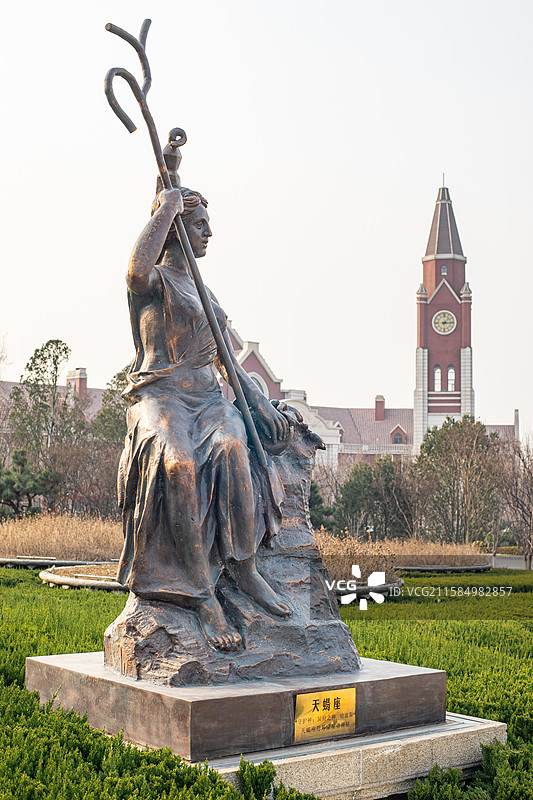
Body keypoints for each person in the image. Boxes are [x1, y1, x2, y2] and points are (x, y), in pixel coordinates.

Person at [117, 183, 292, 652]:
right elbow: (134, 270)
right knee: (177, 464)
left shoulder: (206, 292)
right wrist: (166, 202)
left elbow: (229, 364)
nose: (209, 233)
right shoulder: (153, 282)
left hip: (209, 400)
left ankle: (246, 567)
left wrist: (258, 403)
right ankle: (201, 597)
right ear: (174, 231)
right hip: (163, 397)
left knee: (233, 447)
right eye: (200, 225)